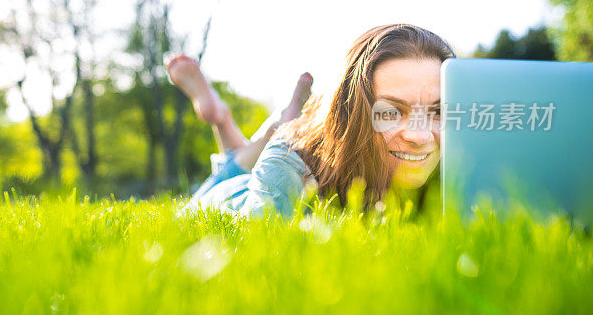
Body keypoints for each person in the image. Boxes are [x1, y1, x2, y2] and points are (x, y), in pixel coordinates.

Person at [166, 23, 456, 218]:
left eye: (438, 112)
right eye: (391, 113)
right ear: (351, 114)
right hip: (232, 196)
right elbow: (259, 246)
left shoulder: (463, 169)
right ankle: (239, 122)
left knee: (249, 158)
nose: (420, 137)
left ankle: (238, 119)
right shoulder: (290, 168)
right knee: (239, 174)